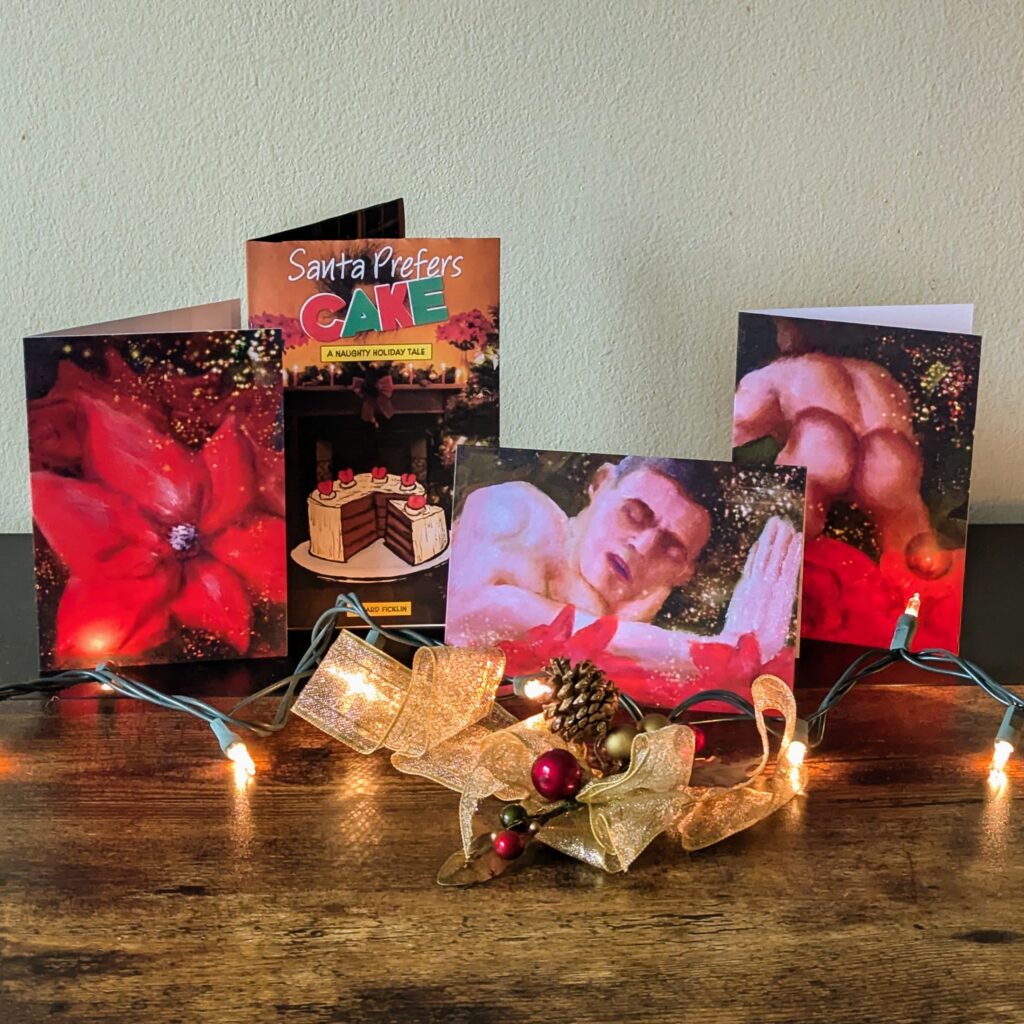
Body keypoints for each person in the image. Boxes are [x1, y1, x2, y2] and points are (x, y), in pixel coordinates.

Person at [446, 456, 802, 680]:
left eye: (671, 547)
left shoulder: (643, 629)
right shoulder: (515, 511)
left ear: (684, 573)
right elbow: (477, 610)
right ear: (600, 485)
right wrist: (713, 652)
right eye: (634, 513)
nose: (642, 547)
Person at [733, 318, 949, 576]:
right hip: (891, 460)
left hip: (821, 452)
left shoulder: (777, 373)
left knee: (780, 552)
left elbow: (732, 430)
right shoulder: (878, 375)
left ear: (789, 331)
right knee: (912, 559)